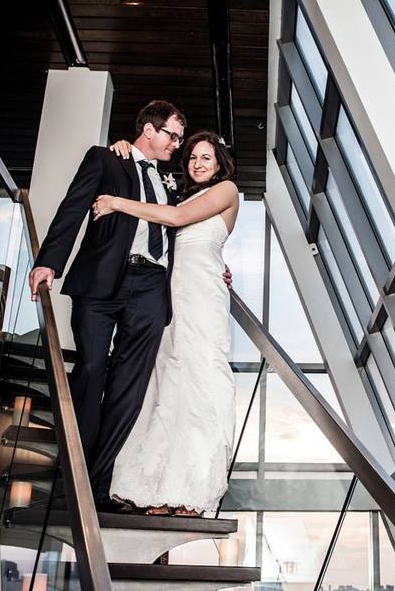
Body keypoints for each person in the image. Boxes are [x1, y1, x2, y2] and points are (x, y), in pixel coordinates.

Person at [27, 101, 229, 512]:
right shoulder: (106, 158)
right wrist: (49, 261)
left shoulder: (173, 182)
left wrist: (217, 266)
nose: (179, 146)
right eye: (173, 136)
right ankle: (74, 482)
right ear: (149, 131)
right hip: (102, 284)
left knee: (129, 391)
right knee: (89, 372)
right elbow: (72, 209)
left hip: (153, 289)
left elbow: (184, 222)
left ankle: (98, 488)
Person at [91, 130, 239, 516]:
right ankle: (160, 488)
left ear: (220, 163)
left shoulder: (227, 191)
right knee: (167, 387)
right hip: (170, 297)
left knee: (199, 383)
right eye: (192, 157)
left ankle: (192, 492)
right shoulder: (182, 194)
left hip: (202, 298)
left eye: (206, 157)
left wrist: (117, 202)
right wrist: (126, 148)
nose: (197, 163)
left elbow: (176, 219)